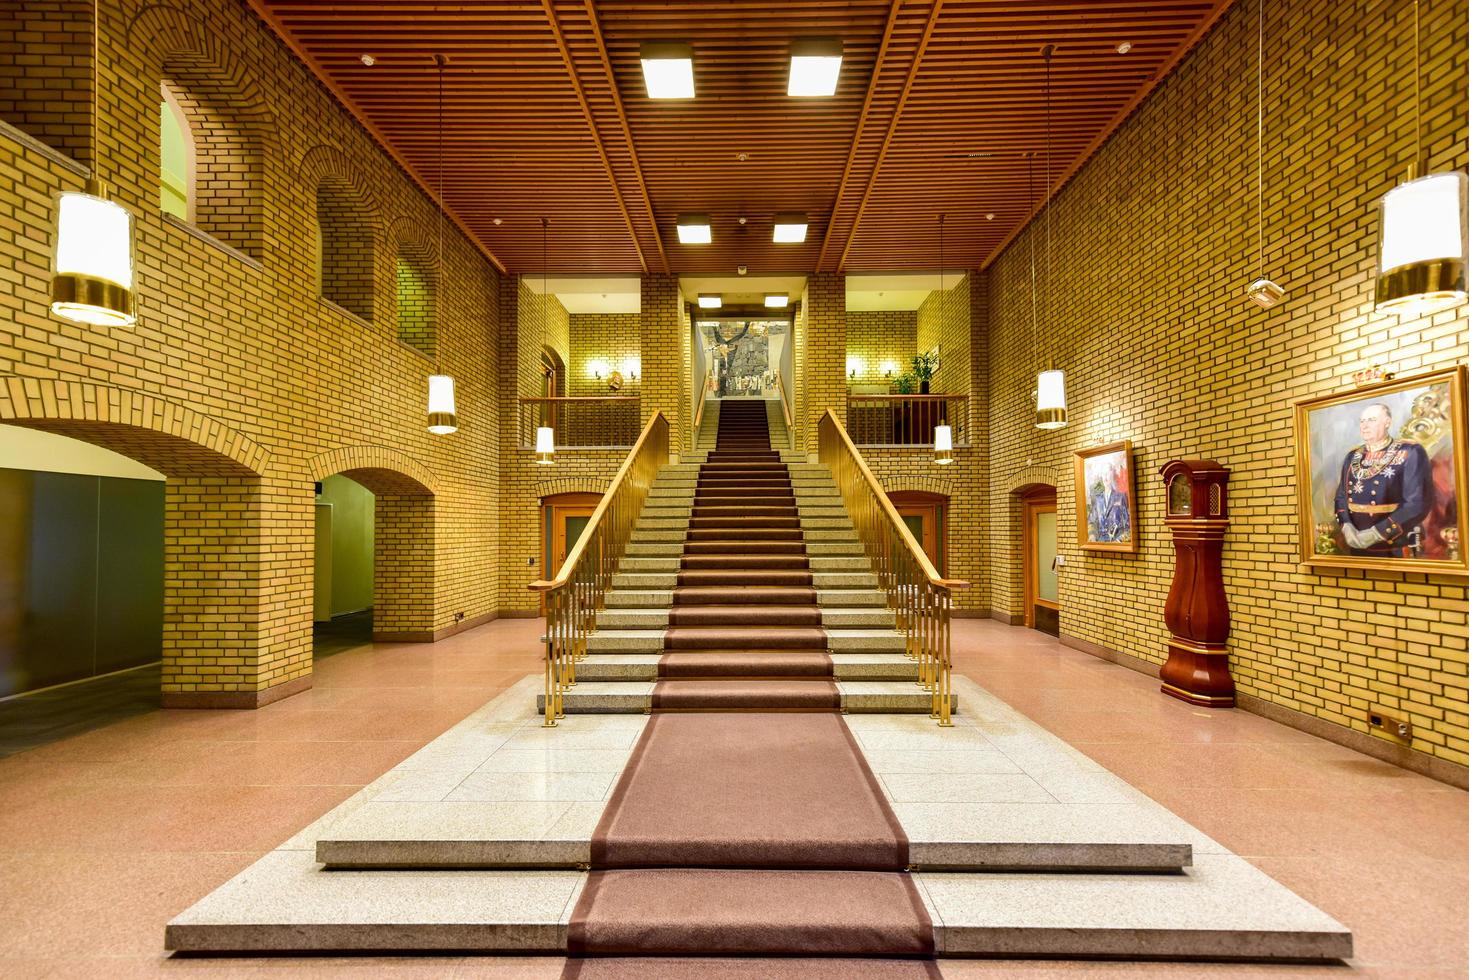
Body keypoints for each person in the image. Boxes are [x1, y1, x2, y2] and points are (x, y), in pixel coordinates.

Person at [1333, 402, 1431, 557]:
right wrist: (1346, 526)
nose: (1364, 426)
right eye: (1362, 421)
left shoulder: (1409, 452)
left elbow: (1416, 504)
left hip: (1394, 544)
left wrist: (1376, 533)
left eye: (1371, 420)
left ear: (1387, 422)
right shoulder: (1352, 456)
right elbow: (1341, 497)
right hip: (1356, 542)